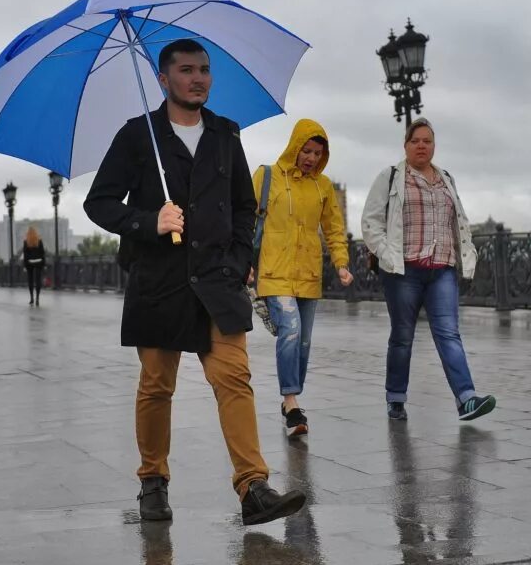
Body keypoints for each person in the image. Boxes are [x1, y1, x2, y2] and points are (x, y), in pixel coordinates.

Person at [84, 38, 306, 526]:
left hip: (217, 281)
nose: (198, 78)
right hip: (159, 281)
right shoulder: (137, 135)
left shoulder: (227, 134)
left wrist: (239, 258)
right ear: (164, 80)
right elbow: (98, 203)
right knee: (157, 386)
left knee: (234, 380)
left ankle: (253, 487)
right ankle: (153, 482)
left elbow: (245, 207)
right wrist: (150, 221)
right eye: (186, 70)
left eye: (205, 69)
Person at [361, 117, 496, 422]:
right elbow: (371, 221)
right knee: (402, 336)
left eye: (427, 141)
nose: (421, 146)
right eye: (415, 141)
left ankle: (467, 399)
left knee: (449, 333)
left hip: (442, 269)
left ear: (434, 145)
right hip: (403, 270)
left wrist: (467, 252)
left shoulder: (446, 177)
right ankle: (395, 398)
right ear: (406, 145)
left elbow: (458, 218)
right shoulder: (391, 176)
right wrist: (385, 254)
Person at [252, 119, 353, 438]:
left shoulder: (322, 187)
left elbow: (334, 228)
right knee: (291, 330)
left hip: (308, 272)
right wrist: (243, 260)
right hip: (274, 269)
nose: (310, 157)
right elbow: (243, 216)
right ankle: (291, 401)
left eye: (317, 153)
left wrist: (341, 262)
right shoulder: (266, 175)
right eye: (306, 150)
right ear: (294, 146)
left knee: (305, 341)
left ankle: (291, 398)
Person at [22, 227, 46, 306]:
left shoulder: (26, 242)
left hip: (30, 263)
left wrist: (25, 265)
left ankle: (31, 298)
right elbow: (42, 253)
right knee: (38, 280)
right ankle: (37, 298)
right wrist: (43, 263)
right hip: (38, 262)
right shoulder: (39, 241)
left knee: (30, 280)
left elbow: (25, 254)